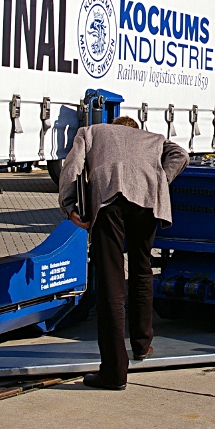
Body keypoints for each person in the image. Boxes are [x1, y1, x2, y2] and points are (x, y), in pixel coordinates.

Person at [58, 116, 189, 390]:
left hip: (110, 199)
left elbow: (72, 168)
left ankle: (114, 373)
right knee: (142, 270)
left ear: (115, 126)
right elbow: (181, 154)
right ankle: (142, 346)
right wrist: (159, 180)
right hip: (148, 200)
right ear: (134, 129)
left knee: (112, 282)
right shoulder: (152, 137)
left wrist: (69, 205)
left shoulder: (91, 131)